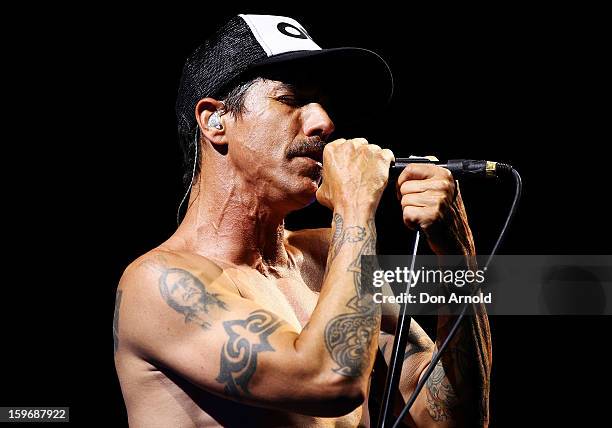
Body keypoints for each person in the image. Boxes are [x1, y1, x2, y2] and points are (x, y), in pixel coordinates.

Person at [113, 14, 491, 427]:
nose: (324, 123)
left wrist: (458, 254)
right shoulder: (159, 283)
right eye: (292, 99)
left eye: (324, 104)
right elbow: (329, 382)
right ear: (215, 121)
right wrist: (355, 203)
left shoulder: (329, 254)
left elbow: (450, 418)